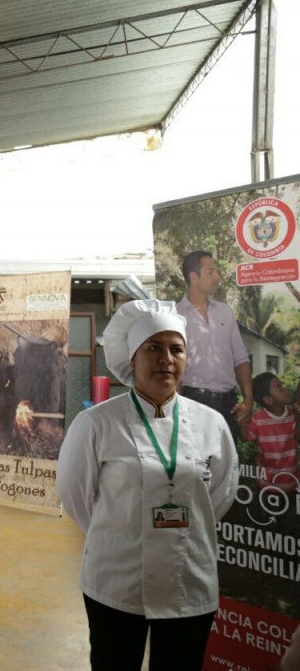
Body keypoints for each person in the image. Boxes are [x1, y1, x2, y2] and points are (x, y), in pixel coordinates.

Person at [58, 299, 239, 671]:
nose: (166, 359)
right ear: (133, 359)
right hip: (117, 580)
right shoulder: (96, 423)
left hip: (189, 577)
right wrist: (122, 532)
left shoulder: (212, 424)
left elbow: (219, 495)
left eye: (176, 349)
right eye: (153, 348)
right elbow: (76, 497)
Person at [177, 250, 254, 439]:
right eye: (211, 272)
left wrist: (248, 399)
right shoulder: (175, 315)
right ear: (194, 277)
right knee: (199, 466)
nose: (217, 277)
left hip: (230, 405)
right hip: (194, 403)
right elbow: (173, 368)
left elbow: (240, 358)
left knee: (229, 466)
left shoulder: (225, 312)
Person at [244, 372, 299, 493]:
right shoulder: (258, 419)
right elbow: (247, 437)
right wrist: (241, 420)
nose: (285, 389)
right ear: (269, 400)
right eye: (279, 387)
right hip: (267, 484)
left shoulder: (293, 413)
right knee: (270, 511)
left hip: (292, 481)